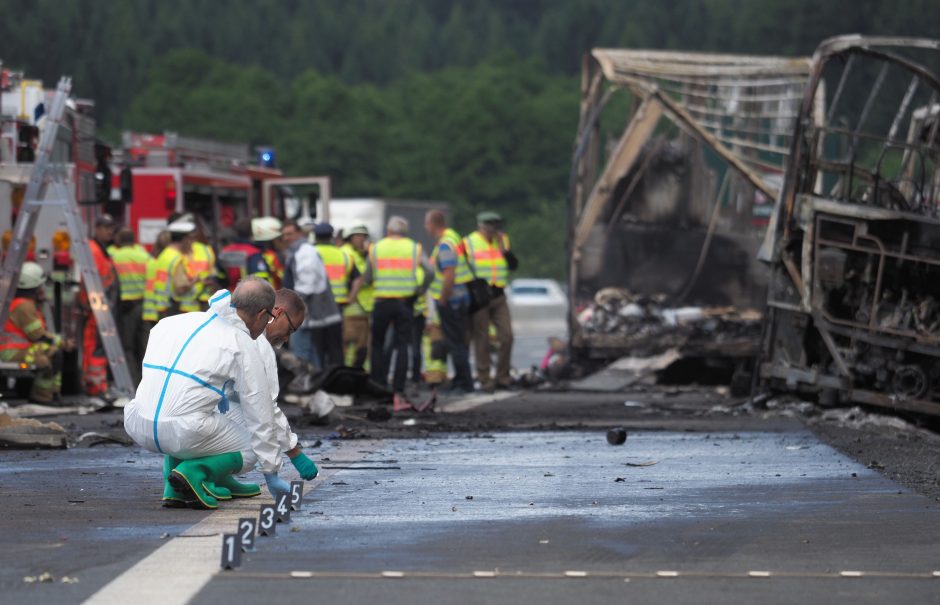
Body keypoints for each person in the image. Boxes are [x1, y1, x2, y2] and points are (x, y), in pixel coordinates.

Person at [123, 278, 286, 509]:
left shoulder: (171, 322)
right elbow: (259, 411)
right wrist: (271, 472)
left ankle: (175, 488)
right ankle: (194, 471)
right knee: (254, 444)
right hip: (182, 431)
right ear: (261, 315)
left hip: (137, 422)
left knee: (197, 408)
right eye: (268, 318)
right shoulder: (241, 342)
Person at [363, 215, 432, 410]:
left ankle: (378, 385)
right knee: (403, 345)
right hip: (405, 302)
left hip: (382, 301)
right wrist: (419, 290)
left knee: (377, 344)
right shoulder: (414, 247)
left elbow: (367, 277)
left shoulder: (376, 248)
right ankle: (399, 388)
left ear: (389, 230)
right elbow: (429, 272)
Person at [0, 263, 73, 403]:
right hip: (12, 352)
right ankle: (42, 396)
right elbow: (38, 335)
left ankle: (51, 394)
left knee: (50, 352)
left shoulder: (19, 303)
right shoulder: (24, 306)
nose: (43, 289)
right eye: (40, 286)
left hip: (11, 350)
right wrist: (63, 343)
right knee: (51, 355)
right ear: (34, 286)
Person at [465, 211, 518, 391]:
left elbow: (513, 265)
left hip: (499, 294)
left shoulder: (503, 240)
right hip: (480, 295)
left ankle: (503, 377)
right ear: (481, 226)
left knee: (507, 336)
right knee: (482, 338)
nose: (493, 230)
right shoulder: (469, 242)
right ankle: (484, 377)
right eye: (489, 226)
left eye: (496, 226)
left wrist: (506, 252)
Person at [424, 209, 475, 393]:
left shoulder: (445, 245)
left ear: (432, 224)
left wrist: (443, 299)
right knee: (458, 342)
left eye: (426, 223)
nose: (425, 227)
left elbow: (449, 275)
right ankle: (461, 381)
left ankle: (464, 383)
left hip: (452, 300)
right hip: (460, 298)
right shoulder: (453, 238)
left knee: (456, 344)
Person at [281, 220, 341, 369]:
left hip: (306, 310)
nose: (286, 238)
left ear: (299, 233)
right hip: (308, 311)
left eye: (290, 234)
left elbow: (306, 284)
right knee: (310, 350)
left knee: (301, 351)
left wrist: (290, 304)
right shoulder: (299, 251)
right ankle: (314, 383)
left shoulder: (304, 252)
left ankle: (307, 384)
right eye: (284, 235)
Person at [81, 214, 120, 398]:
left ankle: (99, 384)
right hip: (97, 307)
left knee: (100, 346)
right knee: (95, 346)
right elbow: (89, 280)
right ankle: (95, 385)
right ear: (96, 228)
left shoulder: (102, 249)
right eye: (106, 227)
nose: (110, 231)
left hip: (103, 307)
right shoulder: (94, 250)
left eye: (111, 227)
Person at [313, 222, 360, 368]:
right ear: (331, 237)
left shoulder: (309, 254)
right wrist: (351, 298)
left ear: (315, 236)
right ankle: (337, 381)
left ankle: (318, 379)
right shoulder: (344, 256)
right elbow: (357, 279)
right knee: (335, 346)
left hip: (315, 306)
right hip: (337, 306)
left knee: (317, 346)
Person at [108, 228, 152, 384]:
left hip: (125, 307)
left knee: (127, 347)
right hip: (145, 306)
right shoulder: (145, 256)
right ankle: (147, 381)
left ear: (119, 240)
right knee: (144, 346)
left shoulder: (114, 256)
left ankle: (132, 382)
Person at [143, 217, 197, 322]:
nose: (192, 243)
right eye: (190, 239)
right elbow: (180, 289)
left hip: (162, 308)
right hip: (173, 310)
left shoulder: (165, 254)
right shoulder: (177, 259)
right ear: (184, 239)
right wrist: (194, 281)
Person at [340, 224, 372, 368]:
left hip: (362, 305)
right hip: (354, 304)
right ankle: (351, 373)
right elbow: (363, 277)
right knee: (353, 342)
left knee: (361, 343)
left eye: (363, 237)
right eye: (358, 236)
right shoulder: (348, 253)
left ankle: (357, 373)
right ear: (350, 238)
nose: (362, 240)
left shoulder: (357, 253)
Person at [217, 218, 271, 292]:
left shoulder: (224, 251)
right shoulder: (253, 252)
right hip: (249, 297)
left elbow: (221, 277)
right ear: (252, 233)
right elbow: (260, 280)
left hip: (231, 296)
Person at [253, 217, 286, 289]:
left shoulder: (252, 253)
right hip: (273, 294)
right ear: (273, 239)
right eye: (279, 238)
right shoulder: (273, 256)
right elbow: (283, 278)